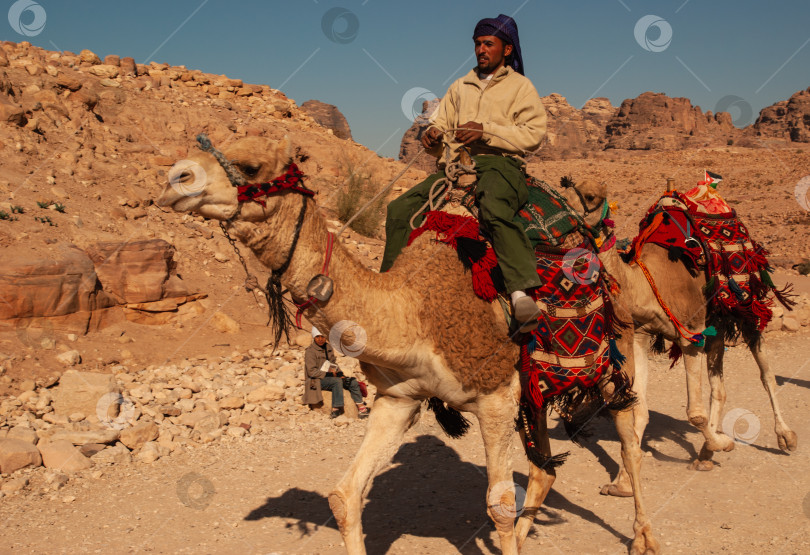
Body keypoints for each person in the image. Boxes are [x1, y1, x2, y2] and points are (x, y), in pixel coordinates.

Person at [380, 14, 547, 330]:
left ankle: (520, 292)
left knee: (494, 207)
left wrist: (486, 131)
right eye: (477, 44)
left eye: (488, 44)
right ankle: (390, 289)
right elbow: (441, 125)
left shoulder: (521, 87)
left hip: (501, 165)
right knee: (399, 209)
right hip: (454, 168)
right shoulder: (460, 87)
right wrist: (432, 136)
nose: (481, 50)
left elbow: (533, 133)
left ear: (507, 49)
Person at [302, 326, 369, 419]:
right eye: (318, 337)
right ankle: (336, 409)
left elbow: (333, 363)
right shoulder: (310, 351)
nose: (320, 339)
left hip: (329, 376)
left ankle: (361, 408)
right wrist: (331, 375)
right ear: (314, 337)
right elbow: (311, 372)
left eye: (323, 336)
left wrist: (340, 374)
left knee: (351, 381)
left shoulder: (328, 347)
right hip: (315, 380)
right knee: (336, 382)